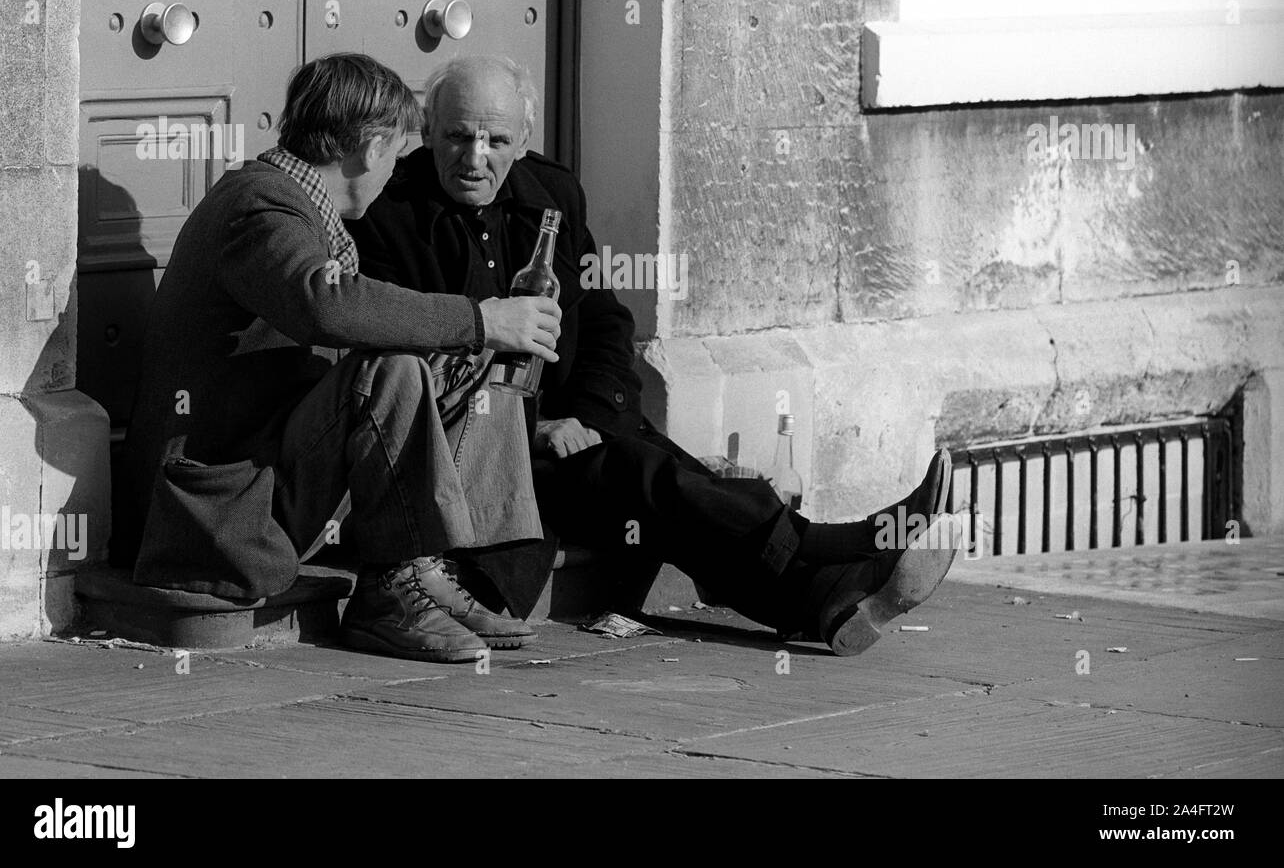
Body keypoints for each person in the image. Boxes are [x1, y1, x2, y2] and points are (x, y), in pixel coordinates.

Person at [347, 55, 963, 656]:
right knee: (649, 479)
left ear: (524, 137)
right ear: (427, 130)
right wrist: (532, 430)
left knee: (653, 480)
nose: (476, 158)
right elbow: (405, 374)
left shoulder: (551, 195)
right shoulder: (389, 217)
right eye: (456, 136)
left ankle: (825, 601)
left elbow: (606, 323)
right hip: (473, 463)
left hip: (576, 438)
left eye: (497, 139)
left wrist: (587, 416)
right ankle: (830, 551)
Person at [116, 53, 565, 663]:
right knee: (396, 370)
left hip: (265, 472)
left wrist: (470, 343)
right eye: (398, 150)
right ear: (373, 147)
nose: (395, 170)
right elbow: (324, 305)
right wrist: (480, 319)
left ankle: (431, 573)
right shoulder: (259, 206)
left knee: (458, 363)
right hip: (210, 519)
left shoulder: (292, 203)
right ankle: (390, 593)